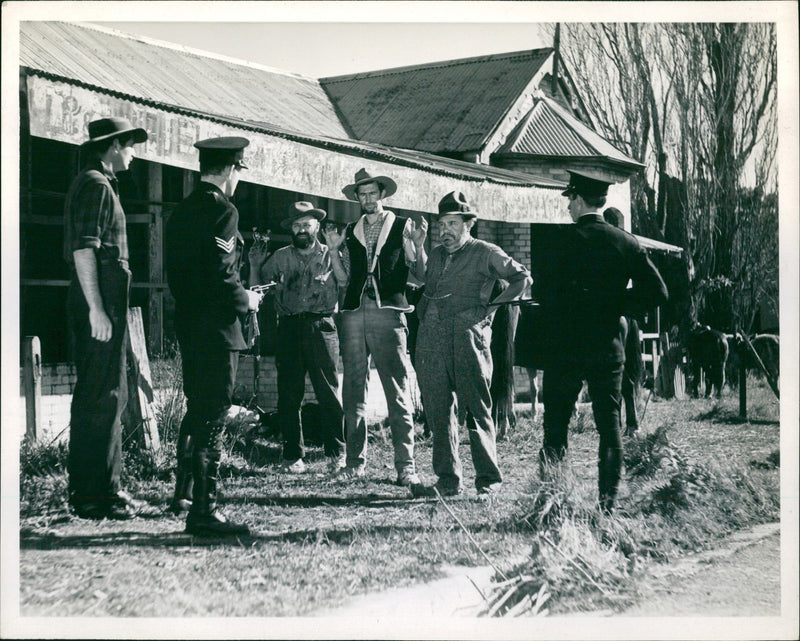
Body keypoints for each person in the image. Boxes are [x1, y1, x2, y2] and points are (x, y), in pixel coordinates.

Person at [539, 170, 668, 513]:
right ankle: (607, 506)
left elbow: (544, 295)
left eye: (569, 199)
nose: (567, 207)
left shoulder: (559, 242)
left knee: (555, 425)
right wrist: (616, 306)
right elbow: (658, 292)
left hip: (564, 347)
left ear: (579, 199)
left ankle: (552, 501)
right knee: (610, 426)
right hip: (607, 344)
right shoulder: (626, 242)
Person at [165, 137, 262, 536]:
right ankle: (205, 510)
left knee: (197, 409)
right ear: (230, 169)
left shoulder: (182, 210)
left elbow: (183, 275)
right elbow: (223, 275)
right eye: (239, 170)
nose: (238, 178)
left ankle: (183, 494)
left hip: (191, 325)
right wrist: (248, 300)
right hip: (219, 330)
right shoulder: (223, 210)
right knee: (214, 415)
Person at [410, 192, 531, 497]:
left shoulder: (485, 251)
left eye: (452, 223)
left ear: (468, 224)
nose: (445, 230)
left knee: (477, 409)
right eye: (442, 224)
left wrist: (489, 309)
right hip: (432, 338)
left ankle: (488, 481)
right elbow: (424, 276)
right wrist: (420, 244)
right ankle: (448, 480)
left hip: (467, 338)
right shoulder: (437, 254)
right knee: (438, 410)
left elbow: (522, 278)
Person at [64, 117, 148, 520]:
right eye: (130, 145)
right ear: (113, 146)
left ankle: (102, 490)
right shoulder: (96, 184)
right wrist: (96, 307)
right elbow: (84, 250)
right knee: (102, 395)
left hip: (106, 299)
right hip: (99, 302)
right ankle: (95, 495)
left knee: (109, 393)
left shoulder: (99, 183)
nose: (133, 152)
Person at [324, 168, 427, 486]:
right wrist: (332, 249)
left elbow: (420, 275)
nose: (367, 199)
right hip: (354, 313)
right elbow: (343, 280)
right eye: (362, 194)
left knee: (396, 391)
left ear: (382, 194)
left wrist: (420, 246)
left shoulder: (402, 226)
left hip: (389, 312)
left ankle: (405, 467)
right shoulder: (350, 230)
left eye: (372, 193)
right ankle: (355, 463)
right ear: (357, 198)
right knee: (352, 389)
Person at [247, 201, 346, 475]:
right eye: (297, 225)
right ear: (292, 229)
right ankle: (292, 457)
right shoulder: (279, 257)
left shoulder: (331, 254)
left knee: (328, 393)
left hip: (322, 327)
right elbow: (257, 288)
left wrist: (336, 252)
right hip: (288, 328)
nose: (302, 229)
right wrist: (254, 265)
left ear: (317, 227)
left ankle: (337, 455)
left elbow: (346, 280)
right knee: (289, 395)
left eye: (307, 224)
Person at [602, 207, 644, 436]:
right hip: (623, 311)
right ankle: (630, 420)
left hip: (608, 313)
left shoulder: (605, 247)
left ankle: (619, 422)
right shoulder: (627, 244)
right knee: (622, 370)